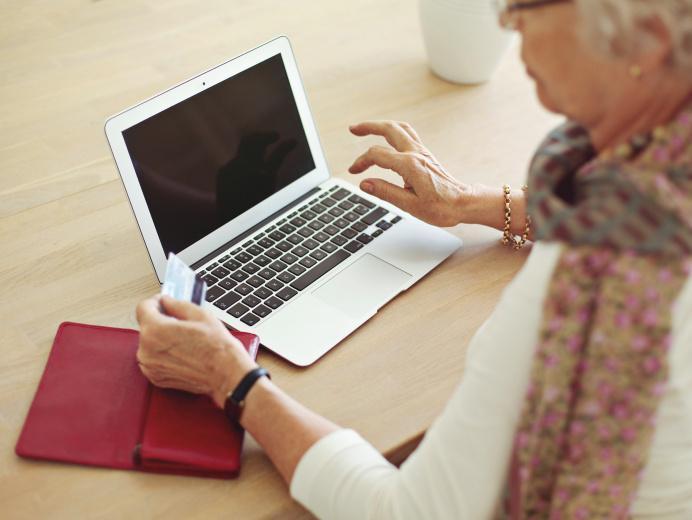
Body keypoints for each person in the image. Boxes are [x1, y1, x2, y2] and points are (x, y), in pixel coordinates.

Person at [135, 0, 692, 517]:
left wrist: (231, 379)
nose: (506, 19)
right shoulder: (658, 180)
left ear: (648, 41)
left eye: (527, 4)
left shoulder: (592, 285)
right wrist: (471, 204)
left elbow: (408, 511)